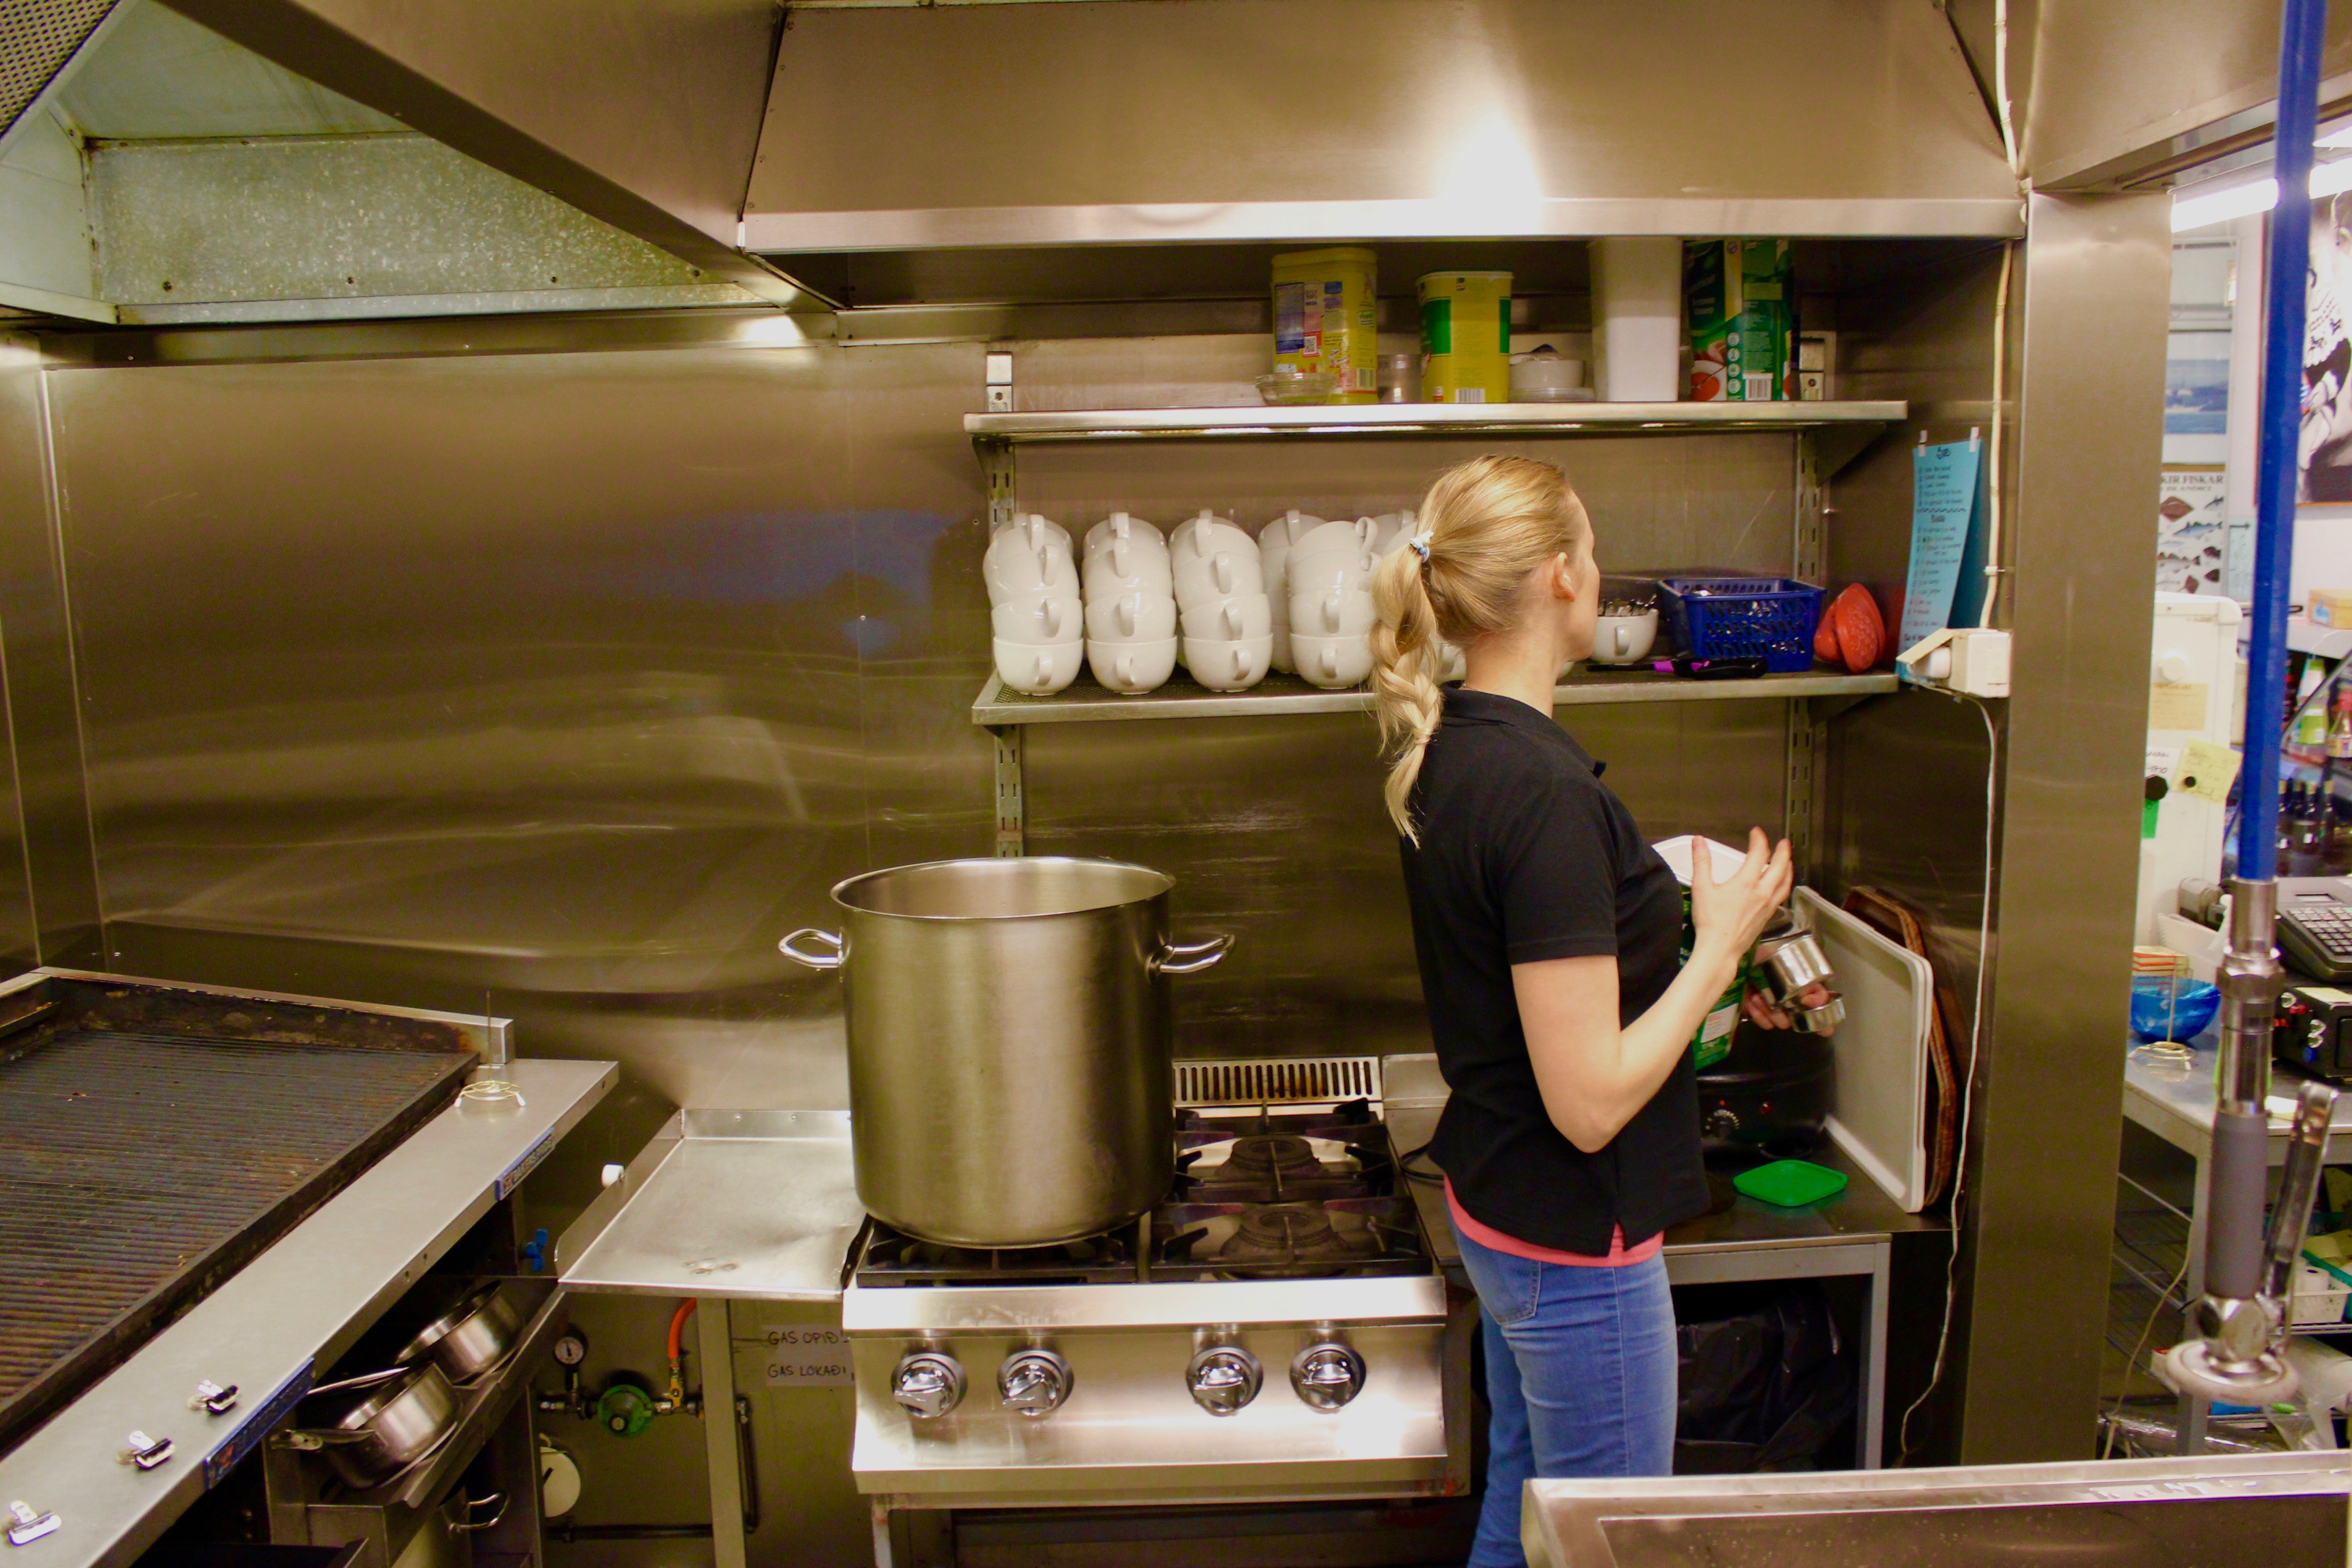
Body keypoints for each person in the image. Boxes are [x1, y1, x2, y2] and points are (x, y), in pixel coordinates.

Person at [1369, 455, 1803, 1567]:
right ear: (1563, 577)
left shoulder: (1455, 749)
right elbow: (1592, 1102)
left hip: (1504, 1201)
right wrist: (1719, 944)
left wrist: (1642, 902)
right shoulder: (1549, 797)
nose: (1601, 572)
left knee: (1527, 1514)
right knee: (1606, 1546)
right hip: (1574, 1239)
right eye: (1595, 551)